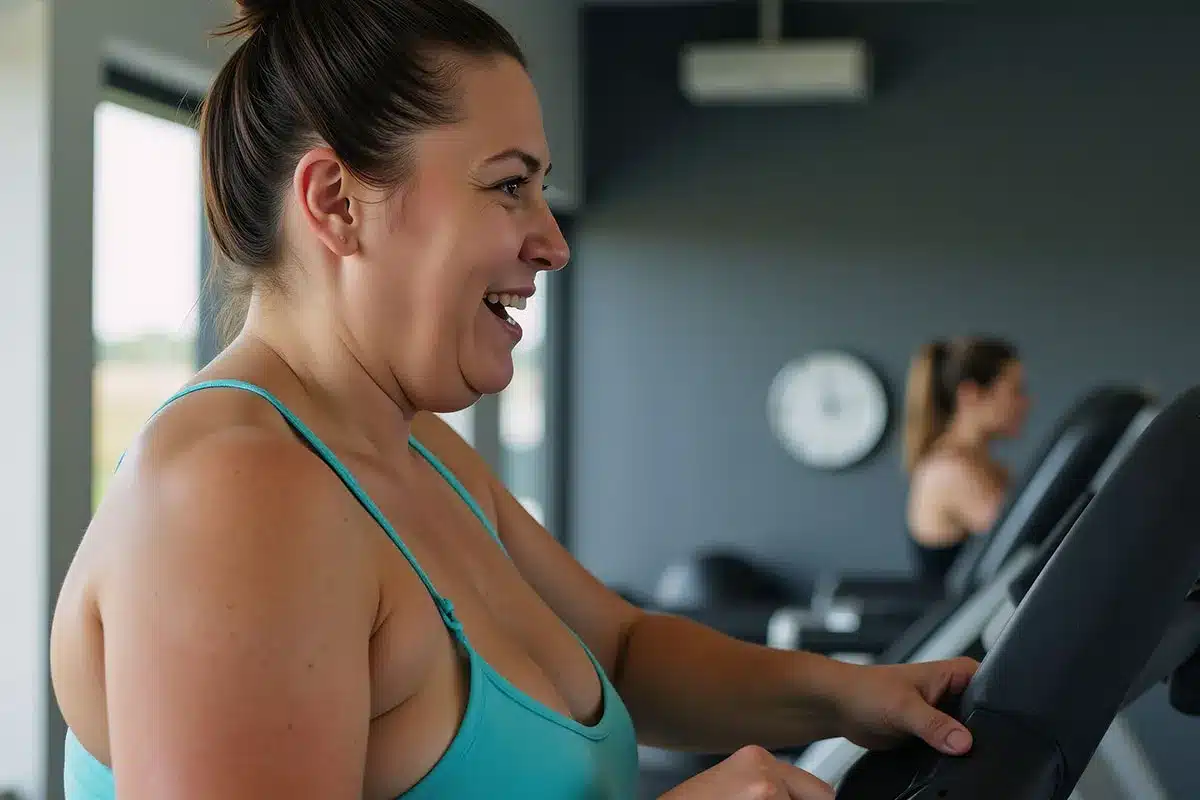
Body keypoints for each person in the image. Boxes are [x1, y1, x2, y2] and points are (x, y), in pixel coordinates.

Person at [49, 2, 979, 798]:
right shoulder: (234, 491)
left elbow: (617, 654)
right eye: (508, 186)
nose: (551, 242)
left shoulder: (417, 452)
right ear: (336, 202)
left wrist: (852, 696)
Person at [903, 336, 1029, 584]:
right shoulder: (951, 471)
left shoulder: (987, 467)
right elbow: (1030, 544)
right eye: (1015, 391)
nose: (1026, 403)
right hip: (964, 621)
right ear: (971, 395)